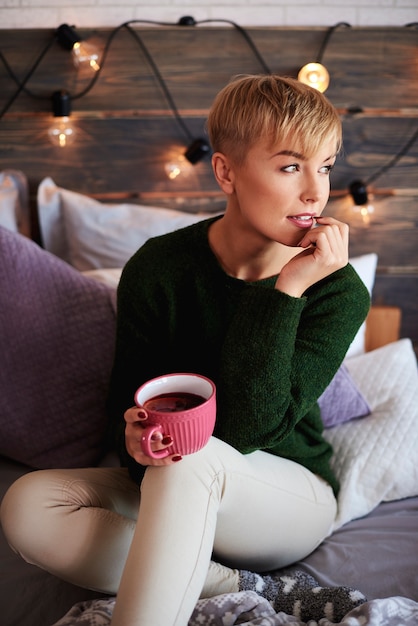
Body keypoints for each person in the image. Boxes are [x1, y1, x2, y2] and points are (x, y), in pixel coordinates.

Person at [1, 74, 370, 625]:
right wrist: (134, 440)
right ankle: (245, 588)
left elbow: (247, 429)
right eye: (291, 166)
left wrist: (287, 291)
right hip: (170, 481)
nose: (316, 191)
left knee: (189, 457)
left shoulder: (336, 290)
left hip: (286, 494)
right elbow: (130, 406)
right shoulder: (158, 267)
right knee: (28, 505)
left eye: (326, 166)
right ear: (226, 171)